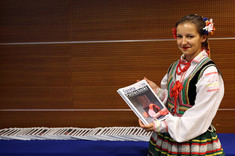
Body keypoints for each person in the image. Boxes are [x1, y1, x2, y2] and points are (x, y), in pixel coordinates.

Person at [139, 14, 225, 155]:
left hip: (192, 138)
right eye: (180, 36)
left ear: (203, 37)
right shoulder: (175, 66)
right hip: (167, 137)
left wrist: (162, 125)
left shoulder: (209, 72)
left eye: (190, 36)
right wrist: (156, 91)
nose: (183, 42)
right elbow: (172, 100)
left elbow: (201, 115)